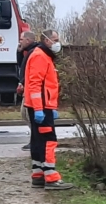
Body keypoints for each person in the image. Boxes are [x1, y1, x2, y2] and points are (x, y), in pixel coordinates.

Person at [24, 29, 73, 190]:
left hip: (43, 106)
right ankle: (51, 177)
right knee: (48, 140)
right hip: (41, 107)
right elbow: (35, 84)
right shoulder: (40, 56)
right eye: (55, 39)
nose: (57, 43)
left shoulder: (43, 55)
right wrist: (40, 108)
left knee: (38, 140)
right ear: (46, 40)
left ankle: (38, 175)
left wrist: (49, 107)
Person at [16, 30, 36, 151]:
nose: (19, 41)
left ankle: (35, 141)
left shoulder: (34, 52)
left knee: (28, 114)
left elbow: (29, 71)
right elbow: (20, 66)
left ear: (28, 40)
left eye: (21, 39)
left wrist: (22, 82)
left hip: (31, 89)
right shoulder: (27, 52)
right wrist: (18, 52)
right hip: (27, 87)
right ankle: (35, 140)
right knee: (25, 114)